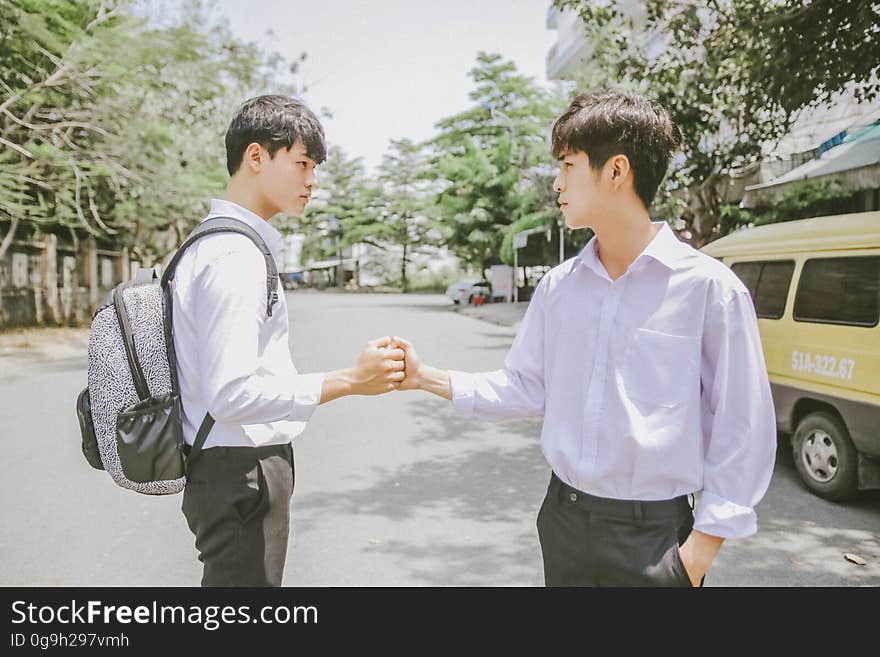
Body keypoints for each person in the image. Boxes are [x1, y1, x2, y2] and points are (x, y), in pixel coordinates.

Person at [393, 90, 777, 586]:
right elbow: (528, 387)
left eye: (568, 165)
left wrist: (699, 552)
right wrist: (427, 378)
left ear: (616, 171)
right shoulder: (559, 288)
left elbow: (742, 422)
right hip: (564, 521)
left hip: (655, 538)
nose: (557, 183)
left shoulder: (709, 289)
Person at [170, 95, 406, 586]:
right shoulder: (234, 254)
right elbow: (231, 393)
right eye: (301, 163)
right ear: (255, 157)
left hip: (229, 463)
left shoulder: (217, 242)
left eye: (314, 167)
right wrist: (350, 380)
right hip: (240, 467)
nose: (312, 180)